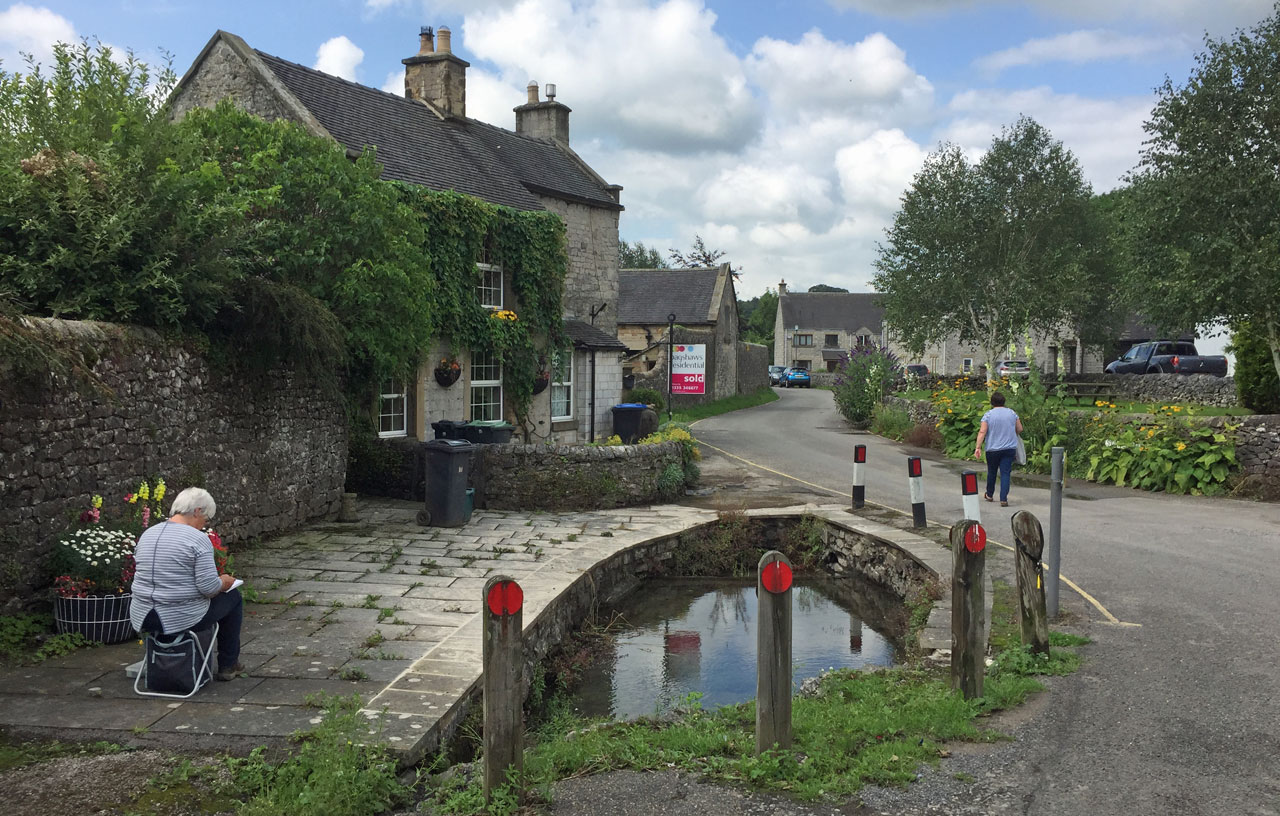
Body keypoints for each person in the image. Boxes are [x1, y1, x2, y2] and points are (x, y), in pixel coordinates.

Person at [130, 487, 243, 681]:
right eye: (205, 519)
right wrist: (223, 581)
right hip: (179, 618)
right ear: (197, 511)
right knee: (233, 598)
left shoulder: (148, 534)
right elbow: (208, 588)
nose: (203, 525)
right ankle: (228, 664)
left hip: (143, 617)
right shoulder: (197, 539)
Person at [973, 391, 1023, 507]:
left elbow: (982, 431)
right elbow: (1020, 428)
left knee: (992, 472)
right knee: (1005, 473)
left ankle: (989, 494)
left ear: (992, 402)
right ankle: (1003, 499)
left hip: (993, 449)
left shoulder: (988, 415)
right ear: (1004, 401)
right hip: (1009, 448)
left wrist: (978, 447)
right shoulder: (1012, 413)